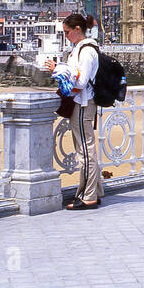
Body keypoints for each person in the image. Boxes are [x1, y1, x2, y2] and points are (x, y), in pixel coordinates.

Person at [45, 13, 104, 210]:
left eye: (67, 32)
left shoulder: (86, 51)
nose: (66, 36)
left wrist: (57, 69)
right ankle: (95, 192)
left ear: (77, 29)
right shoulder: (82, 49)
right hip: (84, 103)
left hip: (83, 103)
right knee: (86, 149)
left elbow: (79, 81)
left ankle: (88, 196)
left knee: (85, 151)